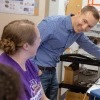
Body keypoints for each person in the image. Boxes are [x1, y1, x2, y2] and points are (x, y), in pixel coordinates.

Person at [32, 5, 100, 100]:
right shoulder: (52, 23)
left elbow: (90, 47)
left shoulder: (77, 33)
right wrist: (32, 70)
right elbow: (29, 46)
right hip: (37, 71)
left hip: (51, 71)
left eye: (89, 26)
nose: (84, 27)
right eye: (84, 21)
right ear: (79, 13)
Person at [0, 20, 49, 100]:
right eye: (38, 39)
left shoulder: (27, 62)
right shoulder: (7, 76)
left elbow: (42, 97)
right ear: (26, 46)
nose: (40, 41)